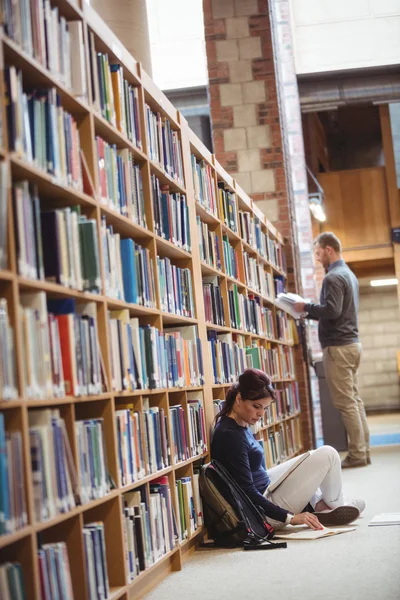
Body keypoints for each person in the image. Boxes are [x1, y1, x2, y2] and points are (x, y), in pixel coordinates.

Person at [211, 369, 365, 530]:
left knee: (310, 457)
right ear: (238, 399)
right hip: (264, 512)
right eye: (256, 406)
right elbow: (246, 491)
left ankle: (321, 505)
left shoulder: (238, 423)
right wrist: (290, 518)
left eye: (265, 408)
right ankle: (337, 505)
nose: (261, 414)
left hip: (266, 488)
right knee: (329, 454)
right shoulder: (229, 436)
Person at [294, 232, 370, 469]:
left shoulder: (333, 277)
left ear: (329, 250)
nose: (317, 259)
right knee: (354, 400)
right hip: (352, 345)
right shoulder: (349, 275)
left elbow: (332, 311)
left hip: (338, 347)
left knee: (346, 403)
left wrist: (305, 307)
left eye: (318, 253)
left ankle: (357, 455)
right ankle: (363, 451)